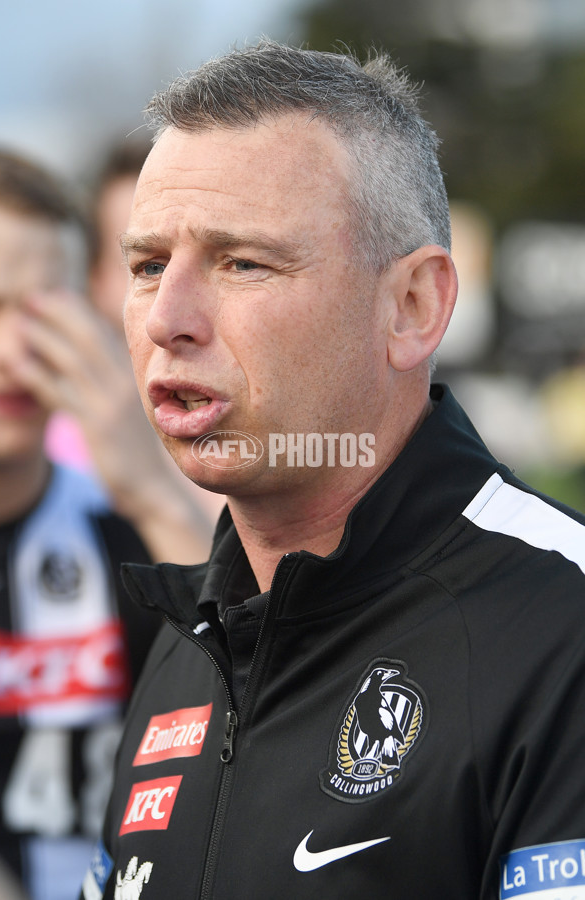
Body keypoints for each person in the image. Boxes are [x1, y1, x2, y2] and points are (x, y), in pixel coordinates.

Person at [81, 42, 585, 900]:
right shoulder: (189, 641)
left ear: (413, 307)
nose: (168, 317)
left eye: (244, 262)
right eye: (148, 265)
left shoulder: (559, 628)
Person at [0, 147, 159, 900]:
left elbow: (265, 698)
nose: (16, 352)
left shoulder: (123, 526)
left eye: (45, 314)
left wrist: (149, 484)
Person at [21, 139, 223, 566]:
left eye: (221, 260)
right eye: (149, 265)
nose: (174, 302)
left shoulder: (266, 433)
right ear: (93, 279)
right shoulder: (35, 444)